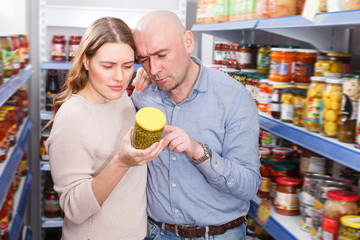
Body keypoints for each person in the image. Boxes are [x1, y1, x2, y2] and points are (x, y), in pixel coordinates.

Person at [131, 10, 261, 240]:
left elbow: (249, 187)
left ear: (188, 42)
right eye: (144, 59)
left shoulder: (234, 98)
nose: (154, 69)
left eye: (161, 54)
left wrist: (198, 151)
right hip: (155, 232)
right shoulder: (143, 94)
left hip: (219, 235)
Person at [45, 17, 164, 240]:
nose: (119, 77)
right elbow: (73, 209)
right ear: (86, 62)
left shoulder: (121, 99)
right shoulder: (72, 118)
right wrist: (121, 162)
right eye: (108, 66)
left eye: (128, 66)